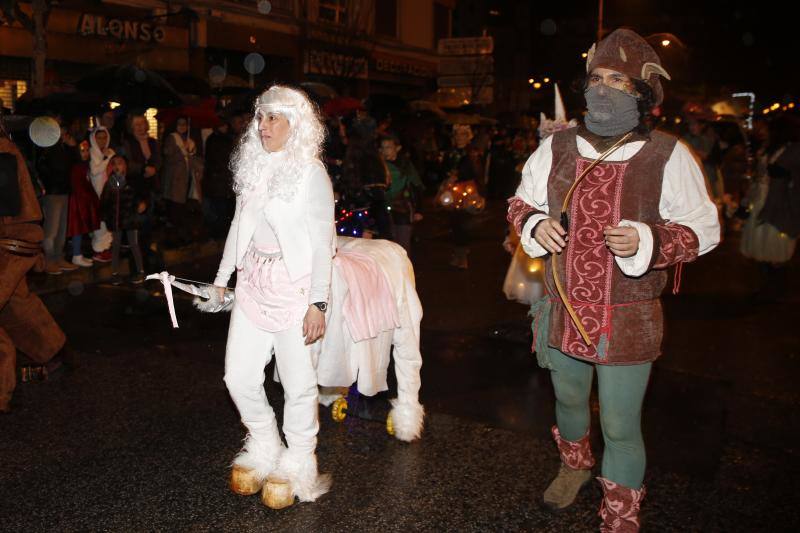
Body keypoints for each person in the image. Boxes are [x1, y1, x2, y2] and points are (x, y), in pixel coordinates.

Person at [507, 28, 720, 531]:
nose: (603, 89)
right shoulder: (556, 148)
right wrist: (536, 223)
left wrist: (649, 241)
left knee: (621, 424)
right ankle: (574, 466)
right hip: (562, 306)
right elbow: (521, 202)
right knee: (568, 399)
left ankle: (622, 512)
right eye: (597, 78)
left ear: (642, 94)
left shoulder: (668, 154)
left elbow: (703, 228)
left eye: (618, 81)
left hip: (628, 314)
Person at [210, 85, 335, 506]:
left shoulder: (311, 172)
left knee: (299, 386)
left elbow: (323, 242)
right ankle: (265, 443)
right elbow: (237, 226)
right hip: (252, 285)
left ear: (295, 125)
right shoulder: (253, 165)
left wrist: (318, 302)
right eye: (261, 117)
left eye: (274, 118)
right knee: (238, 376)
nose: (264, 126)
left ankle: (300, 459)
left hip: (295, 290)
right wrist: (222, 278)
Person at [1, 119, 67, 413]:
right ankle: (55, 354)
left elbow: (9, 207)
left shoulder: (3, 152)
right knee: (17, 305)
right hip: (15, 241)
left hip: (10, 245)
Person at [740, 116, 800, 302]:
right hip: (762, 203)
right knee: (762, 250)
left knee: (777, 252)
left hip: (781, 207)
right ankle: (768, 289)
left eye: (766, 129)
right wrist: (745, 203)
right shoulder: (768, 149)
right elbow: (759, 177)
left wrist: (789, 175)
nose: (762, 131)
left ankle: (776, 291)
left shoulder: (794, 150)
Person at [37, 120, 79, 274]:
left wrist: (72, 147)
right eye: (60, 129)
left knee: (62, 230)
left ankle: (58, 257)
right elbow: (55, 167)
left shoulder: (62, 147)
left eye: (63, 129)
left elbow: (76, 163)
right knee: (52, 230)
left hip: (64, 190)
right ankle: (49, 260)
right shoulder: (46, 147)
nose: (63, 132)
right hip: (53, 192)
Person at [99, 155, 146, 285]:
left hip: (130, 219)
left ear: (125, 165)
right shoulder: (110, 182)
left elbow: (140, 196)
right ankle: (115, 273)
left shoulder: (132, 181)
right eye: (114, 163)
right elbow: (105, 201)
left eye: (119, 163)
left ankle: (140, 271)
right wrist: (104, 216)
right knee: (116, 245)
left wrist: (141, 204)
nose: (116, 166)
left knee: (133, 244)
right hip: (116, 220)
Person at [162, 116, 204, 242]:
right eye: (180, 124)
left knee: (184, 209)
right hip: (175, 180)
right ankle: (174, 238)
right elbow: (168, 156)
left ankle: (182, 236)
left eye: (184, 124)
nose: (182, 126)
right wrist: (181, 150)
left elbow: (193, 159)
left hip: (187, 179)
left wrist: (191, 151)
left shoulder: (189, 139)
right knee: (175, 209)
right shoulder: (171, 137)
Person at [380, 134, 424, 254]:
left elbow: (417, 186)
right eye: (383, 147)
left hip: (402, 208)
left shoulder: (405, 165)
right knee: (388, 246)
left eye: (388, 147)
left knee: (403, 246)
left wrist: (419, 210)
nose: (385, 150)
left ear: (397, 148)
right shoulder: (379, 166)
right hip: (383, 210)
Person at [203, 112, 244, 239]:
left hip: (223, 182)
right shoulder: (215, 139)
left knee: (224, 210)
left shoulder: (227, 138)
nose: (225, 127)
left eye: (225, 125)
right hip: (218, 182)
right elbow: (218, 160)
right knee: (218, 211)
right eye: (222, 125)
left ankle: (221, 235)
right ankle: (218, 236)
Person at [66, 140, 100, 267]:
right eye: (82, 151)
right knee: (76, 229)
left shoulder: (83, 165)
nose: (85, 154)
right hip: (77, 202)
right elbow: (78, 185)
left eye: (87, 151)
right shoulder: (77, 167)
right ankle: (76, 255)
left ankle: (78, 254)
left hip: (81, 201)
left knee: (79, 229)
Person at [87, 126, 114, 262]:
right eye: (99, 137)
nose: (102, 140)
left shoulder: (106, 152)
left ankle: (105, 248)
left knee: (106, 222)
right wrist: (108, 158)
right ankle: (98, 250)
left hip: (107, 192)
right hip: (96, 193)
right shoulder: (92, 152)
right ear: (93, 138)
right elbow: (95, 171)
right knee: (100, 223)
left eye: (104, 137)